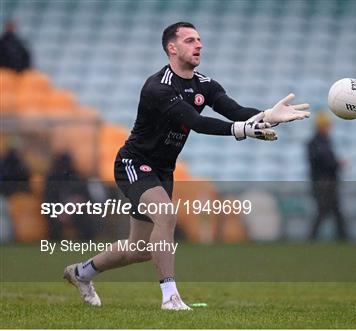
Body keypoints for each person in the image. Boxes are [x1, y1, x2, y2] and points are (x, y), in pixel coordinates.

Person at [63, 22, 310, 311]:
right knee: (166, 216)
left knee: (139, 249)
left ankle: (82, 273)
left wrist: (268, 114)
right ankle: (170, 298)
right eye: (191, 40)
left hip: (163, 170)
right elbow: (196, 122)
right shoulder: (158, 87)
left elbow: (235, 111)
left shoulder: (205, 84)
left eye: (200, 40)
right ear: (172, 48)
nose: (199, 45)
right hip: (134, 163)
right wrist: (242, 130)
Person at [307, 112, 348, 241]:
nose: (329, 128)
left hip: (329, 181)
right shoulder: (315, 143)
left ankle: (342, 237)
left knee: (333, 211)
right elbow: (324, 161)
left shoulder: (323, 142)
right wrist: (337, 163)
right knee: (324, 211)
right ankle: (313, 237)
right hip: (322, 182)